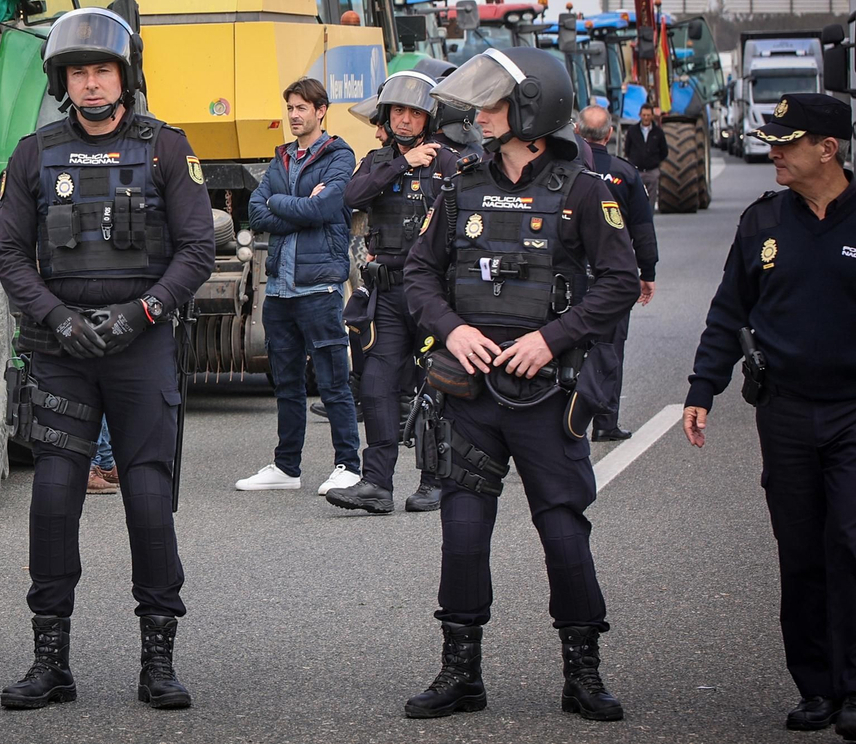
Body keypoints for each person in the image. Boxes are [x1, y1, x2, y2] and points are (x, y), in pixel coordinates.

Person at [402, 46, 639, 723]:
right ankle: (460, 672)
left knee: (564, 534)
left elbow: (620, 281)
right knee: (464, 534)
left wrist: (551, 338)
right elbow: (419, 273)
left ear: (532, 107)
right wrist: (451, 329)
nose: (478, 115)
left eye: (494, 102)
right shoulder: (459, 184)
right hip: (468, 396)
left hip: (545, 396)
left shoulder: (585, 188)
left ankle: (583, 673)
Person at [0, 7, 214, 710]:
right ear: (63, 80)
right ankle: (50, 662)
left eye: (102, 70)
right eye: (79, 72)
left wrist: (140, 313)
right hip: (61, 352)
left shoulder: (166, 149)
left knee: (149, 503)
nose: (91, 84)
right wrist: (56, 317)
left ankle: (158, 660)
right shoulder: (33, 153)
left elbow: (197, 250)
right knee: (54, 501)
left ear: (125, 75)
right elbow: (7, 252)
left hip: (139, 347)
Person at [682, 93, 856, 738]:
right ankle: (816, 689)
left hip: (852, 412)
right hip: (784, 412)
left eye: (788, 142)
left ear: (828, 149)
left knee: (851, 543)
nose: (774, 152)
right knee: (802, 552)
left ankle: (854, 685)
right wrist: (701, 390)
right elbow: (729, 311)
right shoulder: (762, 222)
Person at [328, 71, 463, 515]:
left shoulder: (449, 161)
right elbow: (351, 195)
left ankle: (435, 480)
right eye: (398, 111)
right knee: (377, 385)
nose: (405, 120)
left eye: (414, 112)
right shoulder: (377, 161)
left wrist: (431, 161)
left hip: (433, 295)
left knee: (436, 387)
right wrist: (405, 163)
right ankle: (376, 483)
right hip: (385, 294)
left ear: (429, 117)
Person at [234, 77, 362, 496]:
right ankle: (287, 468)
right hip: (281, 288)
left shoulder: (339, 155)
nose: (293, 115)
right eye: (289, 108)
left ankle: (348, 465)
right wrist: (297, 207)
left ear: (321, 110)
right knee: (285, 383)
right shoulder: (283, 157)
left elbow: (327, 207)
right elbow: (257, 214)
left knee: (332, 381)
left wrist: (280, 203)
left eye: (301, 108)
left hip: (318, 286)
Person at [577, 105, 658, 440]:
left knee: (570, 342)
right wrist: (647, 272)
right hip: (613, 275)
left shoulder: (568, 170)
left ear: (578, 133)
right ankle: (606, 423)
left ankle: (567, 419)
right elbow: (643, 227)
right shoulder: (626, 173)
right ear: (609, 134)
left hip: (573, 273)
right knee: (610, 347)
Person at [624, 104, 667, 207]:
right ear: (640, 115)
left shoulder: (658, 132)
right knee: (635, 197)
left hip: (652, 171)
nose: (646, 118)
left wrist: (655, 162)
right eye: (644, 115)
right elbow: (627, 149)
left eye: (648, 115)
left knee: (651, 199)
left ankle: (649, 219)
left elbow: (664, 151)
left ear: (652, 116)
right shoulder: (632, 131)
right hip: (637, 171)